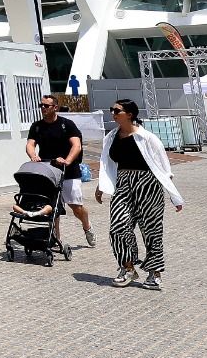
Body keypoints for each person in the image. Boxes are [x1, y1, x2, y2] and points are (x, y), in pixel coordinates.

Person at [95, 99, 184, 289]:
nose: (113, 113)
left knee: (151, 230)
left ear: (129, 114)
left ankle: (154, 271)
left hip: (148, 183)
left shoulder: (148, 138)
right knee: (118, 226)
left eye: (117, 110)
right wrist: (101, 186)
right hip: (123, 183)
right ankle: (128, 268)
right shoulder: (111, 137)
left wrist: (173, 195)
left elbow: (164, 168)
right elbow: (106, 164)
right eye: (112, 110)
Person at [26, 96, 94, 246]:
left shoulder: (67, 125)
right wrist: (33, 155)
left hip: (68, 170)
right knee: (52, 206)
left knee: (76, 207)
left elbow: (76, 145)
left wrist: (67, 161)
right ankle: (55, 238)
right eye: (41, 105)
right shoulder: (37, 126)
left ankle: (87, 226)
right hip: (48, 171)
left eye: (46, 106)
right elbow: (30, 144)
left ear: (55, 107)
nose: (43, 108)